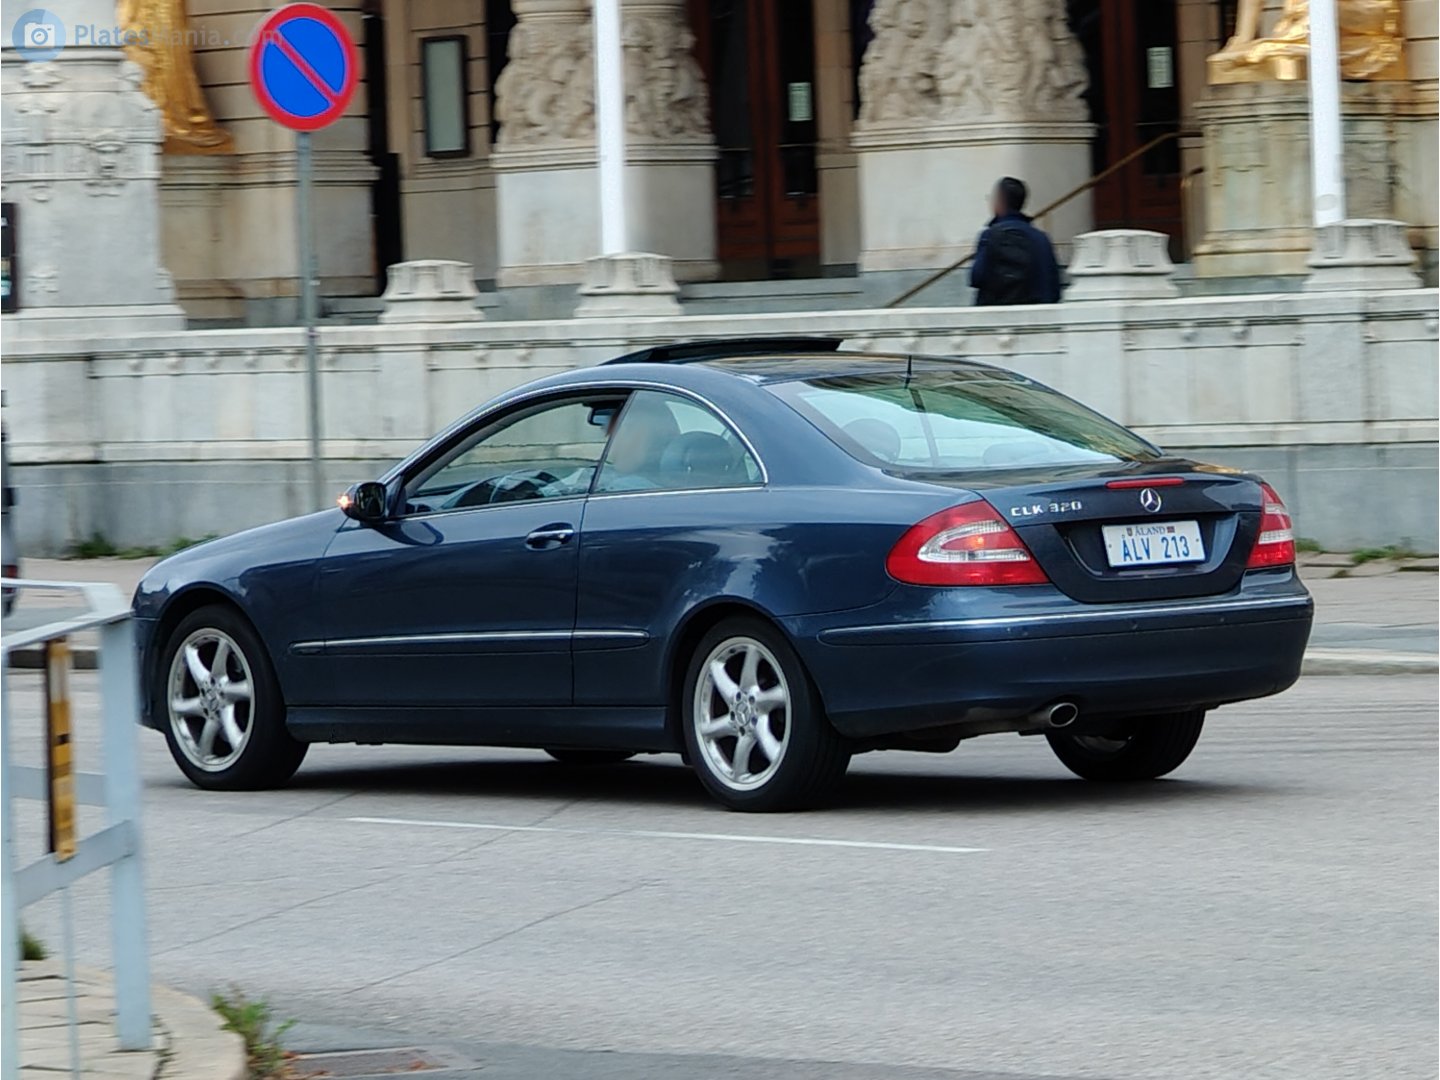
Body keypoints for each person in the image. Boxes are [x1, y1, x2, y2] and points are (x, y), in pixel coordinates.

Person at [969, 177, 1062, 306]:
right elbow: (1054, 286)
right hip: (1037, 318)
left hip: (997, 319)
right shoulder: (1041, 239)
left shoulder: (989, 235)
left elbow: (976, 278)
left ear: (1000, 202)